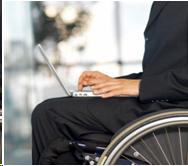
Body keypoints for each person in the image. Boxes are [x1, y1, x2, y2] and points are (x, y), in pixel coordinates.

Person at [31, 1, 188, 165]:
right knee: (56, 112)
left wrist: (139, 87)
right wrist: (112, 83)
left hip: (172, 109)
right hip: (161, 103)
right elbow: (162, 71)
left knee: (50, 114)